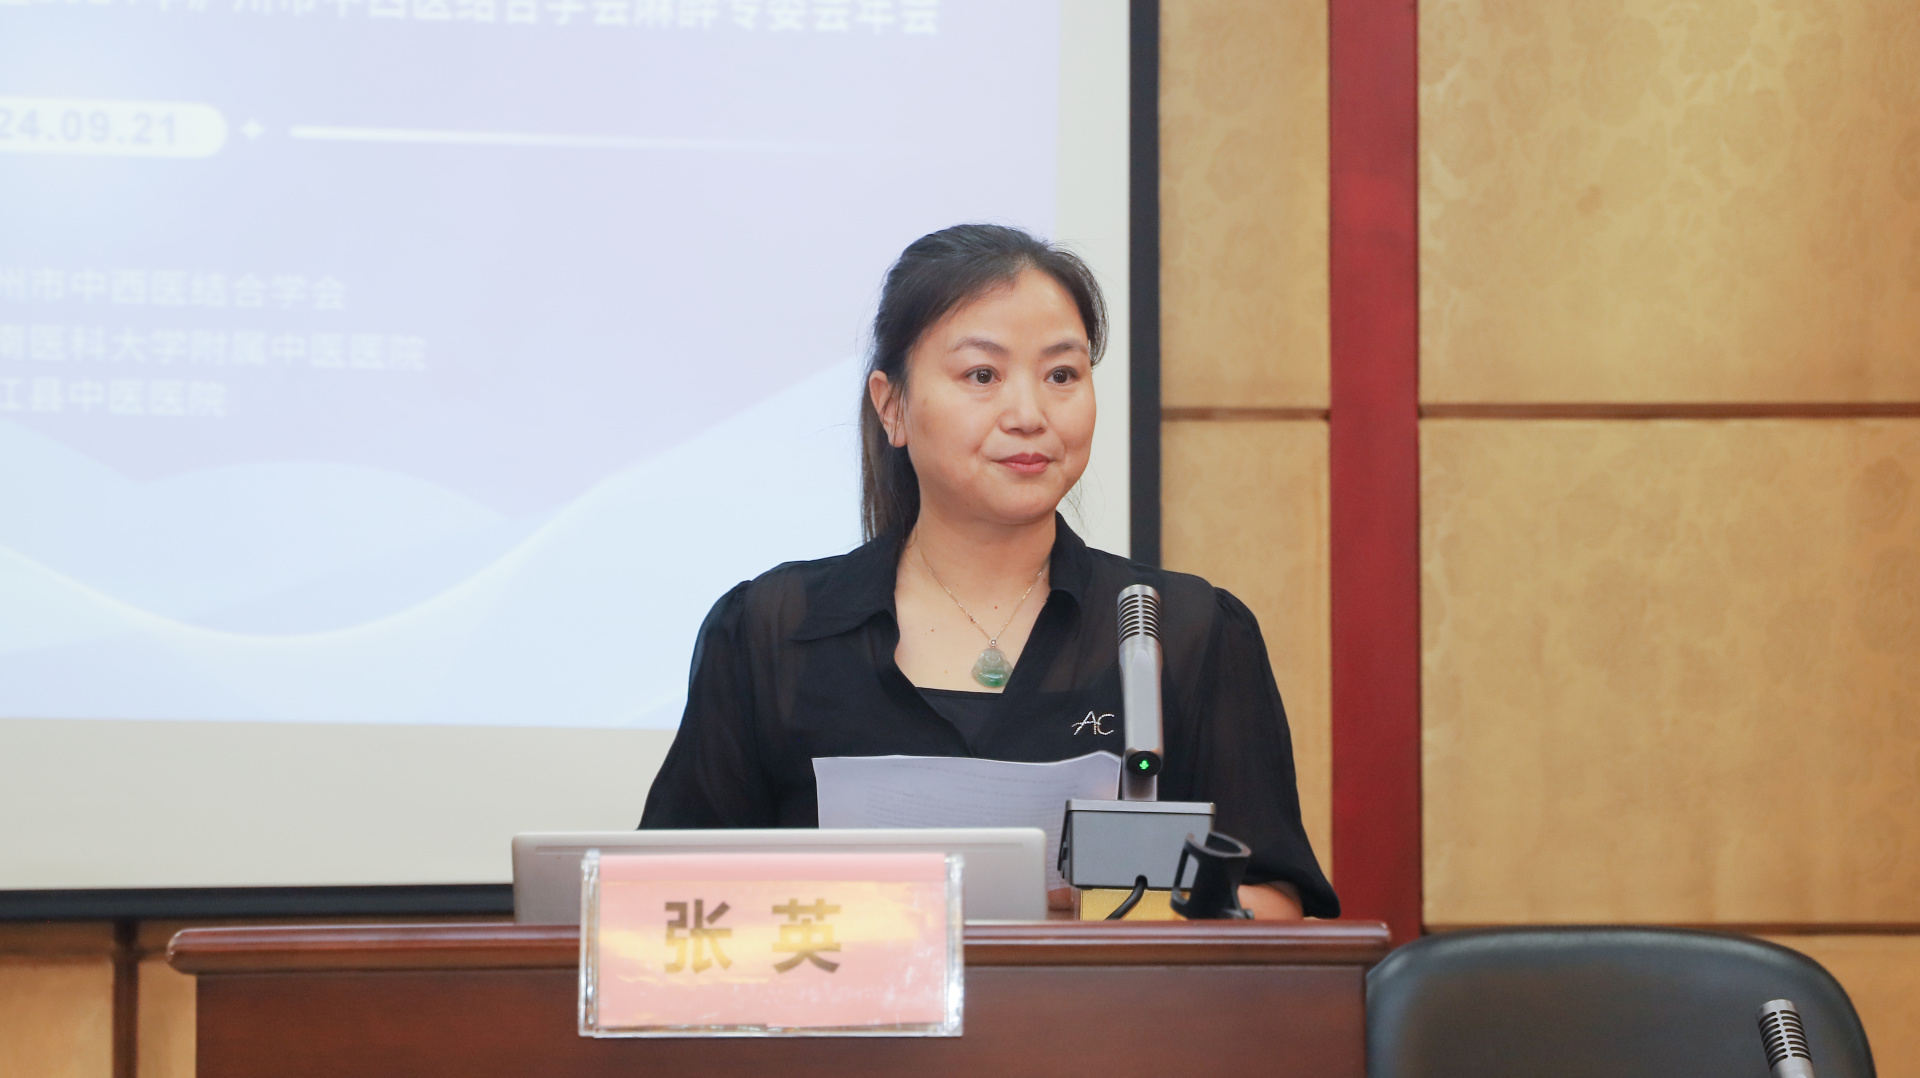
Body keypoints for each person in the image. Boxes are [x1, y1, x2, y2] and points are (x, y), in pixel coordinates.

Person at [640, 224, 1336, 920]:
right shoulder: (772, 631)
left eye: (1062, 376)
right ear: (891, 405)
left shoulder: (1184, 631)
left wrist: (1103, 911)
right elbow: (665, 902)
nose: (1029, 415)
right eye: (982, 376)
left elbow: (1273, 903)